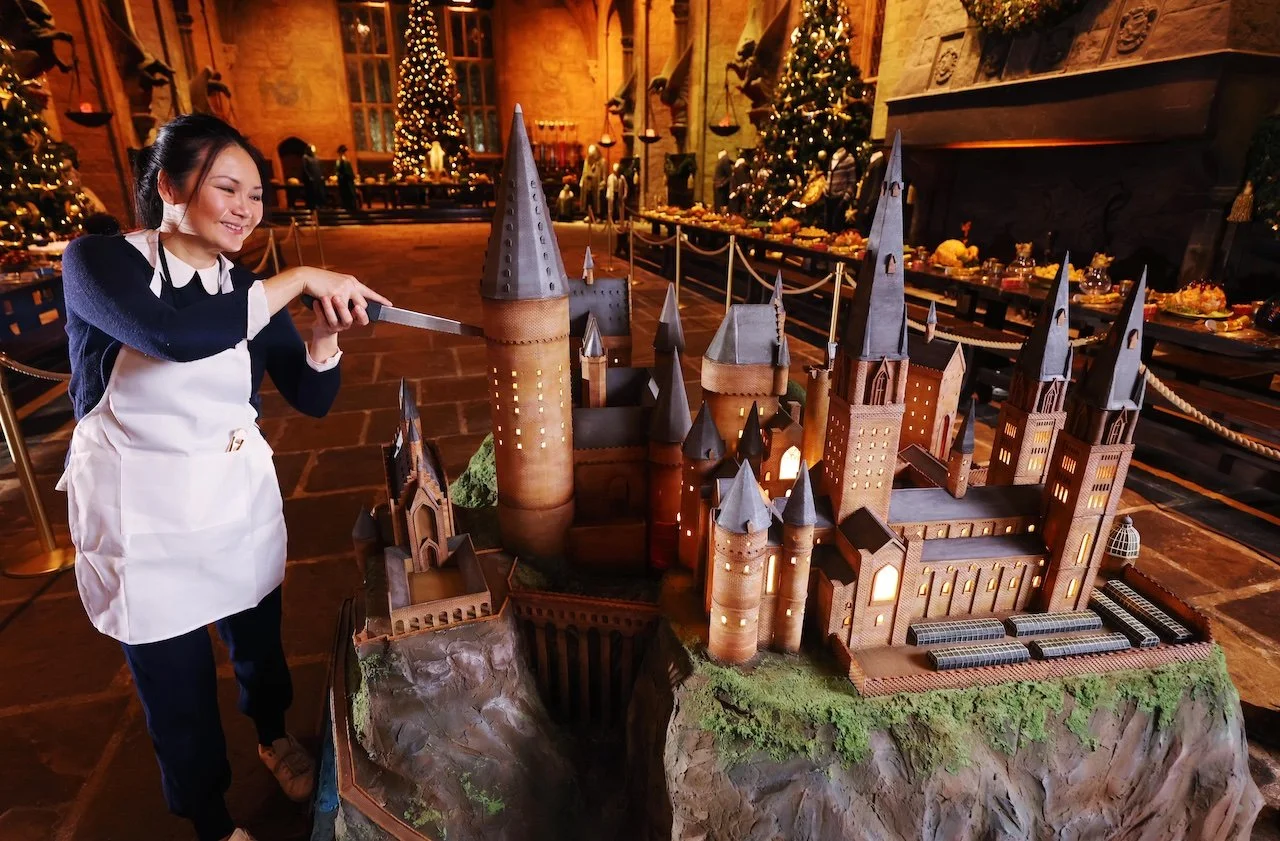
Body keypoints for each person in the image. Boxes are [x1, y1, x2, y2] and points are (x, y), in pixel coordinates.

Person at [57, 113, 390, 841]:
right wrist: (301, 275)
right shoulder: (100, 264)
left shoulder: (244, 288)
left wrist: (324, 338)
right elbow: (176, 336)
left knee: (259, 644)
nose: (246, 207)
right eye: (227, 187)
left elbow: (311, 398)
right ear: (171, 186)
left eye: (256, 193)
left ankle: (272, 734)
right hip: (142, 513)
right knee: (174, 685)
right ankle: (210, 816)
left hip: (232, 501)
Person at [300, 144, 325, 211]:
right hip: (311, 180)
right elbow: (305, 168)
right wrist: (309, 176)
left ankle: (320, 204)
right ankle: (312, 205)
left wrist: (321, 175)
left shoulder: (316, 158)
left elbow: (319, 168)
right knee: (312, 192)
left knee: (319, 191)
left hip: (317, 178)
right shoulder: (305, 157)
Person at [336, 145, 358, 213]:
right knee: (346, 195)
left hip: (347, 180)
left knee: (349, 195)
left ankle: (350, 207)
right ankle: (348, 206)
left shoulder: (343, 160)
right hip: (345, 181)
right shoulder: (341, 160)